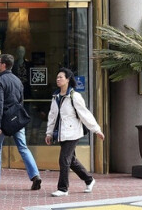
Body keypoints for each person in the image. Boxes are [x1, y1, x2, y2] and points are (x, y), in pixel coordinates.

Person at [0, 53, 42, 190]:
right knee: (23, 148)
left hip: (4, 119)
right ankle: (35, 175)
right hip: (16, 119)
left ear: (3, 65)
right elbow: (21, 101)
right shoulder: (17, 81)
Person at [45, 67, 104, 197]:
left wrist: (96, 130)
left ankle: (63, 189)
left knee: (64, 159)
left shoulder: (74, 96)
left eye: (61, 77)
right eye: (57, 77)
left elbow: (85, 114)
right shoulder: (56, 96)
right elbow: (52, 116)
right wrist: (49, 133)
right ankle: (89, 179)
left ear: (68, 79)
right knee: (71, 160)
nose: (58, 79)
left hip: (73, 133)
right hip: (61, 133)